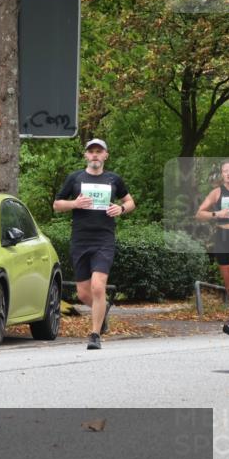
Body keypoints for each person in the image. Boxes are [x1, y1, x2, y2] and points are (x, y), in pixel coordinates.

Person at [53, 138, 135, 350]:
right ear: (86, 155)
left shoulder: (113, 179)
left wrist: (121, 209)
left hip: (104, 239)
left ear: (106, 155)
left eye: (99, 151)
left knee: (98, 286)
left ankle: (95, 334)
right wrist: (75, 203)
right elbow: (57, 204)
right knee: (82, 293)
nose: (95, 155)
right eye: (92, 152)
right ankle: (102, 312)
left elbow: (130, 201)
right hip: (80, 239)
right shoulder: (75, 178)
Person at [195, 159, 229, 336]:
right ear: (222, 174)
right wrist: (216, 213)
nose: (228, 173)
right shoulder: (217, 193)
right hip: (223, 237)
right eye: (225, 171)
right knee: (228, 285)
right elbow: (199, 214)